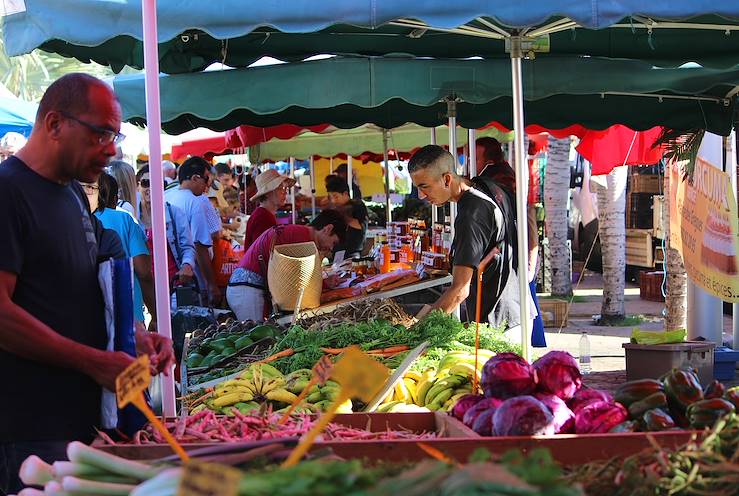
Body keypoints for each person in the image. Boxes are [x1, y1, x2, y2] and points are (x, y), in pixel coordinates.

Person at [0, 73, 173, 494]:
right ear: (55, 124)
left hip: (81, 424)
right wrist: (91, 361)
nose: (111, 149)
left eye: (114, 135)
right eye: (99, 133)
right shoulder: (8, 192)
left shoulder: (73, 194)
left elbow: (84, 288)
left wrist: (135, 335)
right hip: (28, 432)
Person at [409, 145, 531, 333]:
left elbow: (460, 290)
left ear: (447, 179)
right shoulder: (485, 185)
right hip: (517, 310)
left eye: (424, 186)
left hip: (499, 324)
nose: (421, 195)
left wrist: (417, 330)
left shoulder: (471, 215)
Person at [477, 137, 545, 347]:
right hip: (520, 252)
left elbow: (526, 216)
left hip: (514, 253)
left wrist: (531, 259)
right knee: (524, 305)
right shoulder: (506, 176)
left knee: (517, 307)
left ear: (486, 160)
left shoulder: (497, 181)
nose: (473, 161)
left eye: (476, 157)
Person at [226, 210, 347, 321]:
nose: (331, 247)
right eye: (333, 242)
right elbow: (300, 282)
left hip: (245, 288)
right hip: (247, 290)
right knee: (258, 338)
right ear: (328, 229)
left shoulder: (300, 233)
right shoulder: (302, 240)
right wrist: (325, 284)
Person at [83, 173, 157, 329]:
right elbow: (143, 271)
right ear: (116, 199)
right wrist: (155, 314)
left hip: (88, 318)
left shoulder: (78, 220)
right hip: (129, 315)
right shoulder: (125, 220)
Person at [164, 156, 221, 304]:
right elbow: (200, 247)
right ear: (195, 178)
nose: (207, 186)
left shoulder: (166, 195)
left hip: (169, 278)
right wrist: (211, 285)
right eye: (207, 179)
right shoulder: (195, 202)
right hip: (192, 280)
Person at [136, 165, 196, 285]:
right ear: (138, 186)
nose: (151, 187)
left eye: (156, 183)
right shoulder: (131, 217)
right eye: (146, 182)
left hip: (173, 283)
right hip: (143, 286)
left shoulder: (175, 213)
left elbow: (187, 247)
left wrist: (187, 265)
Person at [244, 169, 295, 249]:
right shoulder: (263, 217)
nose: (285, 192)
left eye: (285, 188)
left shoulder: (265, 214)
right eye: (280, 188)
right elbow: (263, 252)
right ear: (267, 193)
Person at [325, 174, 368, 258]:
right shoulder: (337, 209)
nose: (333, 201)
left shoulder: (358, 205)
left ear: (345, 194)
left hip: (352, 255)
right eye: (331, 197)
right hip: (338, 254)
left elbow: (358, 226)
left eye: (336, 197)